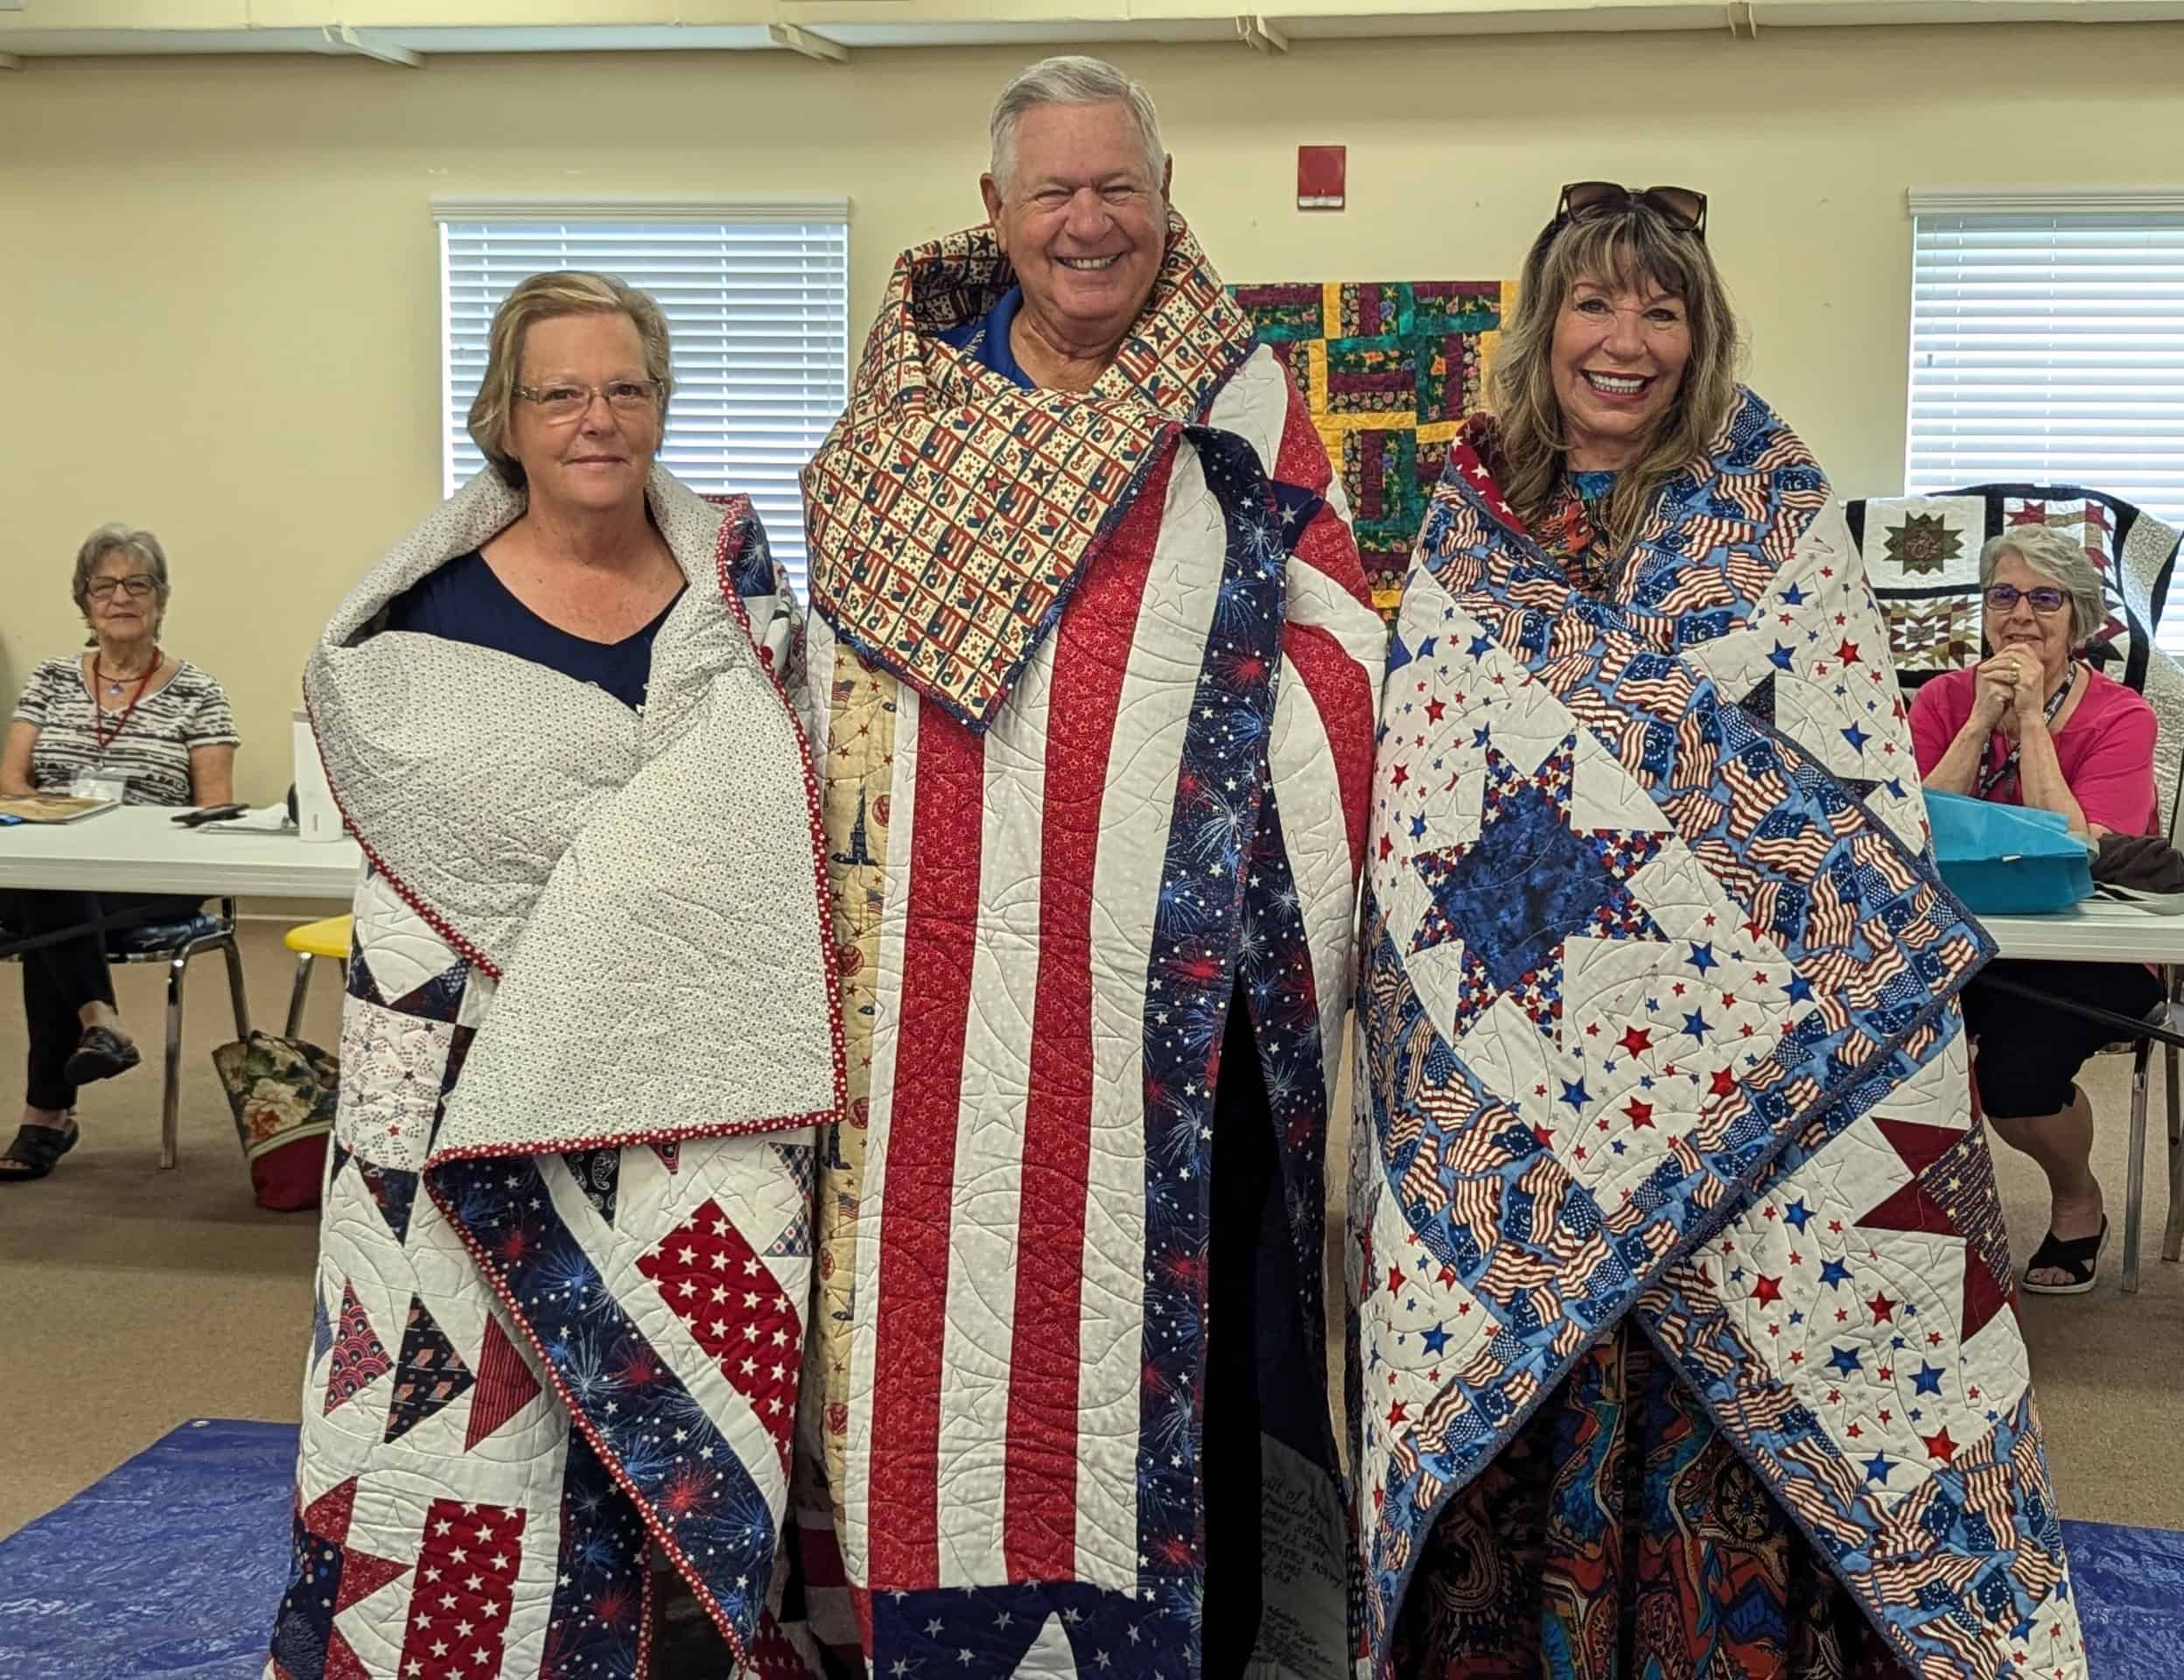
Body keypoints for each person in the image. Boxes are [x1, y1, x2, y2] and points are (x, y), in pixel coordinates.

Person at [1352, 185, 2084, 1679]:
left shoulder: (1768, 515)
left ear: (1702, 334)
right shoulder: (1470, 522)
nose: (1625, 341)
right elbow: (1421, 809)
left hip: (1749, 1076)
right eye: (1595, 304)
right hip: (1529, 1056)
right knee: (1546, 1378)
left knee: (1738, 1381)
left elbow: (1848, 798)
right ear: (1544, 321)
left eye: (1661, 310)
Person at [796, 56, 1383, 1680]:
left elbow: (1335, 644)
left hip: (1194, 984)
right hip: (956, 977)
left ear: (1166, 195)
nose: (1087, 222)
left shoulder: (1242, 408)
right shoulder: (909, 419)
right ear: (995, 211)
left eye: (1118, 186)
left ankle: (1203, 1640)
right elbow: (853, 693)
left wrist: (1187, 797)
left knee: (1194, 1319)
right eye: (1052, 191)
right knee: (959, 1308)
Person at [264, 272, 841, 1679]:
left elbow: (771, 811)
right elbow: (418, 863)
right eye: (560, 393)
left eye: (627, 389)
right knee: (461, 1389)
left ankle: (687, 1646)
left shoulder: (738, 597)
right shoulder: (425, 622)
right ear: (505, 421)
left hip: (695, 1058)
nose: (599, 420)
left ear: (661, 404)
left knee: (698, 1360)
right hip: (472, 1066)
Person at [1912, 524, 2162, 1293]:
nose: (2021, 615)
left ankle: (2077, 1197)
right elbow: (1911, 830)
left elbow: (2081, 846)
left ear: (2078, 619)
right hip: (1966, 937)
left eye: (2045, 598)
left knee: (2015, 1086)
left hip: (2086, 947)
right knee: (1877, 1056)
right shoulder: (1941, 699)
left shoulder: (2121, 717)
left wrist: (2029, 724)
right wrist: (1980, 722)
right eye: (2003, 596)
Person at [0, 524, 236, 1182]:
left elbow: (213, 807)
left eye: (138, 584)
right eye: (104, 585)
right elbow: (11, 782)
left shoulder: (199, 692)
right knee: (52, 888)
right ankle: (99, 1021)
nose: (121, 597)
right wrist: (54, 820)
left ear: (160, 600)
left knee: (46, 909)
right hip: (58, 862)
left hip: (155, 877)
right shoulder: (50, 679)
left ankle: (47, 1117)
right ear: (84, 601)